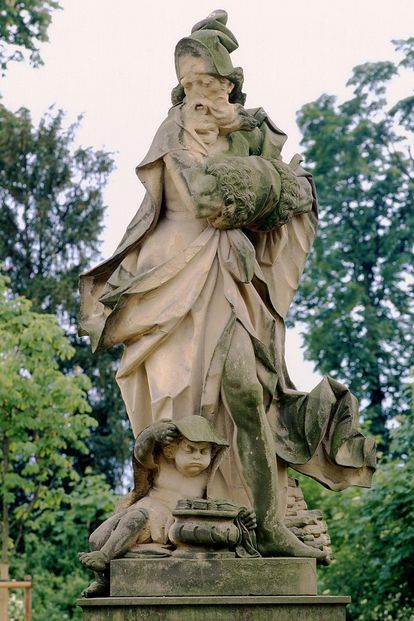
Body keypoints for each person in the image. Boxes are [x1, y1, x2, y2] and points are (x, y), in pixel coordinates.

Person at [79, 11, 375, 560]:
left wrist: (273, 173)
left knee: (246, 390)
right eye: (192, 85)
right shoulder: (175, 130)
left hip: (232, 278)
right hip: (171, 278)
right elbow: (201, 201)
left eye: (211, 85)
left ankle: (264, 520)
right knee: (179, 402)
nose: (202, 95)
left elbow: (290, 196)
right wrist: (244, 163)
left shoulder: (252, 136)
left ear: (230, 86)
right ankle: (178, 512)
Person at [78, 416, 236, 596]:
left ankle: (104, 557)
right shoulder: (163, 463)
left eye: (204, 451)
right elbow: (140, 454)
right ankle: (103, 580)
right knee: (95, 539)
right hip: (147, 508)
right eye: (190, 449)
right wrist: (151, 436)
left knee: (135, 518)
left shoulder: (209, 477)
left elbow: (225, 501)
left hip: (166, 520)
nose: (197, 457)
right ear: (171, 451)